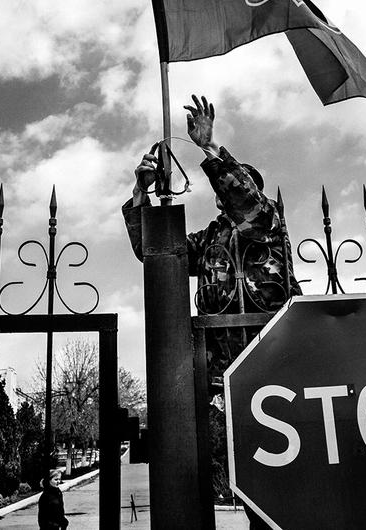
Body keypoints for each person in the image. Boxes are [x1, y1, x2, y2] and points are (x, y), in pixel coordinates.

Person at [123, 94, 298, 530]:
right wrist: (142, 193)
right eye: (225, 190)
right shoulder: (211, 241)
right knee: (237, 486)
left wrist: (208, 147)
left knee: (280, 493)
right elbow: (155, 252)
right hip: (222, 381)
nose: (227, 195)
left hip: (277, 370)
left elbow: (247, 204)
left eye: (236, 185)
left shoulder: (268, 223)